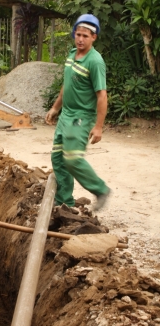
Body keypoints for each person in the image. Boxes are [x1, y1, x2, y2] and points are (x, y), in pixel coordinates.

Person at [45, 13, 111, 211]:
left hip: (81, 118)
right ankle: (64, 202)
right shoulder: (72, 55)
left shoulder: (95, 61)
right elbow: (67, 85)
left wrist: (98, 127)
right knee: (58, 157)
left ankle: (100, 190)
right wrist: (56, 107)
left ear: (94, 37)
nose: (81, 39)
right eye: (78, 34)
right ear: (74, 34)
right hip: (66, 115)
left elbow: (102, 96)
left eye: (86, 35)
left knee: (72, 158)